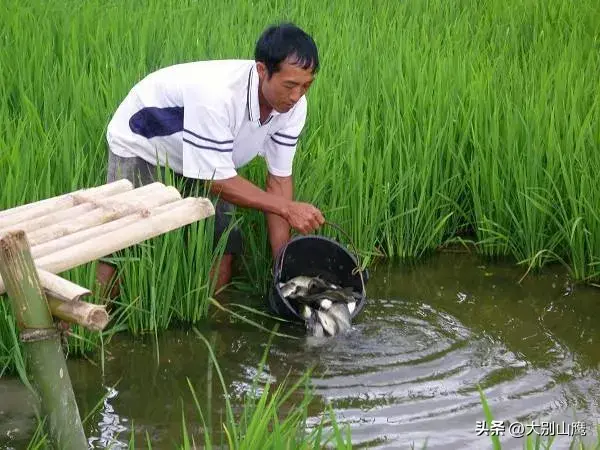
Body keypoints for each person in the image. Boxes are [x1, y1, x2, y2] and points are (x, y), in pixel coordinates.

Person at [96, 22, 325, 298]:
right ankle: (92, 324)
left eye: (305, 86)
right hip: (145, 143)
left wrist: (283, 264)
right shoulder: (217, 95)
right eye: (290, 85)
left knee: (223, 242)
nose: (297, 96)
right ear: (262, 70)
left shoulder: (293, 106)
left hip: (209, 157)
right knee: (126, 241)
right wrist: (287, 208)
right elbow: (214, 180)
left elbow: (278, 180)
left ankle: (215, 326)